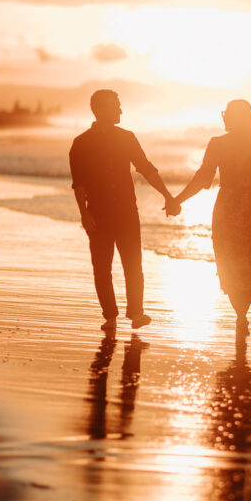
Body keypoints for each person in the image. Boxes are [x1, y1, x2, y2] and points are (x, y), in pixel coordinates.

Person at [167, 99, 251, 335]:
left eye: (227, 114)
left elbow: (203, 178)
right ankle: (242, 315)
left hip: (229, 207)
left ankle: (240, 315)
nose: (224, 117)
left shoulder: (219, 144)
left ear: (235, 117)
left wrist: (177, 200)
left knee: (231, 260)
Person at [69, 89, 175, 331]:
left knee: (133, 264)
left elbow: (146, 168)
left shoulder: (127, 137)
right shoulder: (81, 143)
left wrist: (168, 195)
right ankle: (110, 316)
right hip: (98, 214)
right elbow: (80, 185)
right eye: (116, 106)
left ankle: (136, 313)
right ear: (101, 109)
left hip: (127, 211)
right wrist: (84, 214)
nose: (121, 110)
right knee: (102, 266)